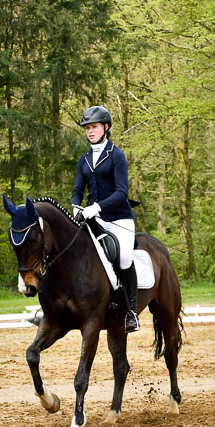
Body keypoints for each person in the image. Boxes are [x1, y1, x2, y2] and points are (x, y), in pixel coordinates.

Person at [71, 105, 140, 333]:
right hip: (93, 218)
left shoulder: (117, 156)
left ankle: (131, 311)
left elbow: (121, 192)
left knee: (123, 258)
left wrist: (96, 207)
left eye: (94, 127)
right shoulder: (83, 160)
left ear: (106, 127)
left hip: (119, 217)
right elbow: (78, 190)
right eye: (87, 128)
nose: (90, 131)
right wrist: (75, 205)